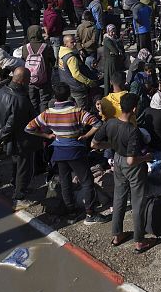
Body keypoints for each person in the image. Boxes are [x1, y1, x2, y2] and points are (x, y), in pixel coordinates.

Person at [26, 83, 104, 222]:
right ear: (69, 94)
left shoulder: (48, 113)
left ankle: (71, 212)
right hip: (76, 151)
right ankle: (90, 214)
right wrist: (86, 136)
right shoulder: (78, 111)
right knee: (87, 181)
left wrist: (48, 136)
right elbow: (97, 124)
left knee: (65, 181)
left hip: (59, 151)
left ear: (55, 96)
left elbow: (29, 128)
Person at [91, 91, 155, 252]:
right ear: (134, 109)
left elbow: (94, 144)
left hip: (117, 160)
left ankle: (117, 234)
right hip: (131, 165)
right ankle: (139, 240)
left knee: (119, 198)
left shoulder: (110, 123)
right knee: (137, 201)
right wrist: (146, 158)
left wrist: (111, 146)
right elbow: (132, 160)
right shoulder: (133, 131)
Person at [0, 67, 41, 208]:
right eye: (29, 79)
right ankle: (19, 196)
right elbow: (11, 124)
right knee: (24, 168)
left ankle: (16, 186)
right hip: (21, 140)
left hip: (9, 138)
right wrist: (1, 136)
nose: (30, 81)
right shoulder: (19, 100)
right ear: (23, 80)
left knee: (15, 164)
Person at [58, 33, 98, 113]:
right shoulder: (71, 58)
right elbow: (76, 74)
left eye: (75, 41)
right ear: (66, 44)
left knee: (69, 110)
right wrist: (89, 82)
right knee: (82, 111)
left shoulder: (61, 53)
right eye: (72, 42)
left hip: (67, 86)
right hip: (77, 87)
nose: (75, 44)